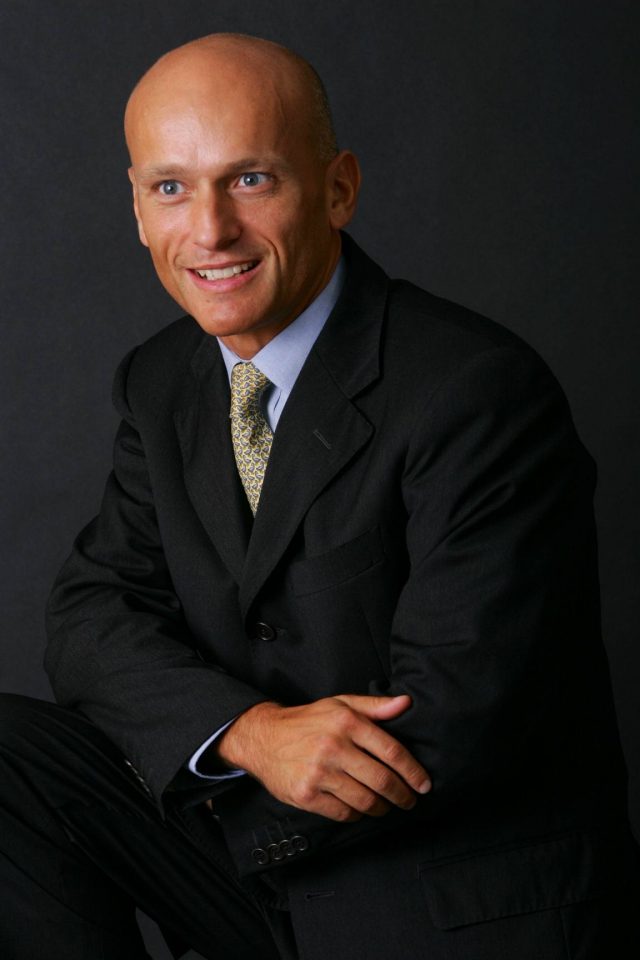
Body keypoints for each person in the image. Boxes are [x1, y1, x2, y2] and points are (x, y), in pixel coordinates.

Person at [1, 32, 638, 960]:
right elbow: (94, 615)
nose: (210, 230)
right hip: (259, 876)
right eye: (171, 187)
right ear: (137, 208)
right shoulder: (162, 381)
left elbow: (453, 719)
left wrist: (226, 791)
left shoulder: (476, 391)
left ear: (338, 188)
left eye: (250, 179)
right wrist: (247, 733)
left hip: (441, 896)